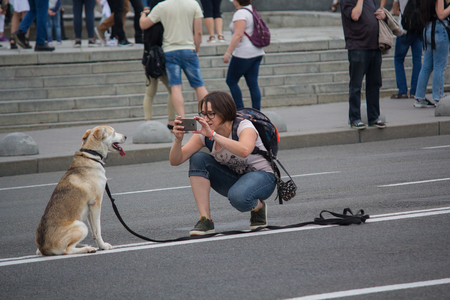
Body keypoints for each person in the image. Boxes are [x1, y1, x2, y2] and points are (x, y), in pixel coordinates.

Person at [169, 91, 276, 236]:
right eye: (203, 113)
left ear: (224, 112)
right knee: (198, 158)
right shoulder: (204, 133)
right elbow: (176, 161)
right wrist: (178, 140)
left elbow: (244, 150)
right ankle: (205, 220)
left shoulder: (243, 126)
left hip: (262, 177)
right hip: (235, 178)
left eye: (211, 114)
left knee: (239, 197)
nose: (206, 119)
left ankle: (258, 207)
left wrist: (213, 135)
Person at [140, 0, 208, 119]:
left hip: (170, 51)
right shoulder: (193, 4)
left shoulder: (162, 6)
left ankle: (182, 121)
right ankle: (208, 116)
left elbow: (144, 25)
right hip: (188, 49)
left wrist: (142, 14)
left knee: (176, 87)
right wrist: (196, 49)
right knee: (199, 85)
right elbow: (198, 32)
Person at [340, 0, 386, 129]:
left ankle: (374, 117)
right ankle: (355, 118)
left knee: (374, 83)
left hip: (374, 46)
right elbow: (355, 15)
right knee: (356, 85)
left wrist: (381, 15)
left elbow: (372, 15)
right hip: (358, 47)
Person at [224, 0, 264, 111]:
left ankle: (240, 111)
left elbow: (238, 35)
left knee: (231, 81)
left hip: (243, 53)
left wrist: (228, 53)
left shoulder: (240, 14)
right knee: (253, 83)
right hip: (257, 51)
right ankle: (257, 111)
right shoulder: (251, 9)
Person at [141, 0, 175, 128]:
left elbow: (142, 24)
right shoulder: (164, 20)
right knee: (173, 90)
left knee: (150, 92)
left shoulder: (146, 20)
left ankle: (148, 122)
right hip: (161, 61)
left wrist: (143, 14)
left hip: (148, 60)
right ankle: (171, 122)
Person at [381, 0, 423, 99]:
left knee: (399, 59)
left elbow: (395, 10)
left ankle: (402, 91)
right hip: (419, 29)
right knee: (417, 59)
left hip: (404, 29)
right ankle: (415, 91)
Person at [413, 0, 450, 108]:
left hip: (428, 29)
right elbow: (441, 14)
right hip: (439, 29)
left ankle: (419, 97)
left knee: (426, 66)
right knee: (439, 66)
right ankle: (439, 97)